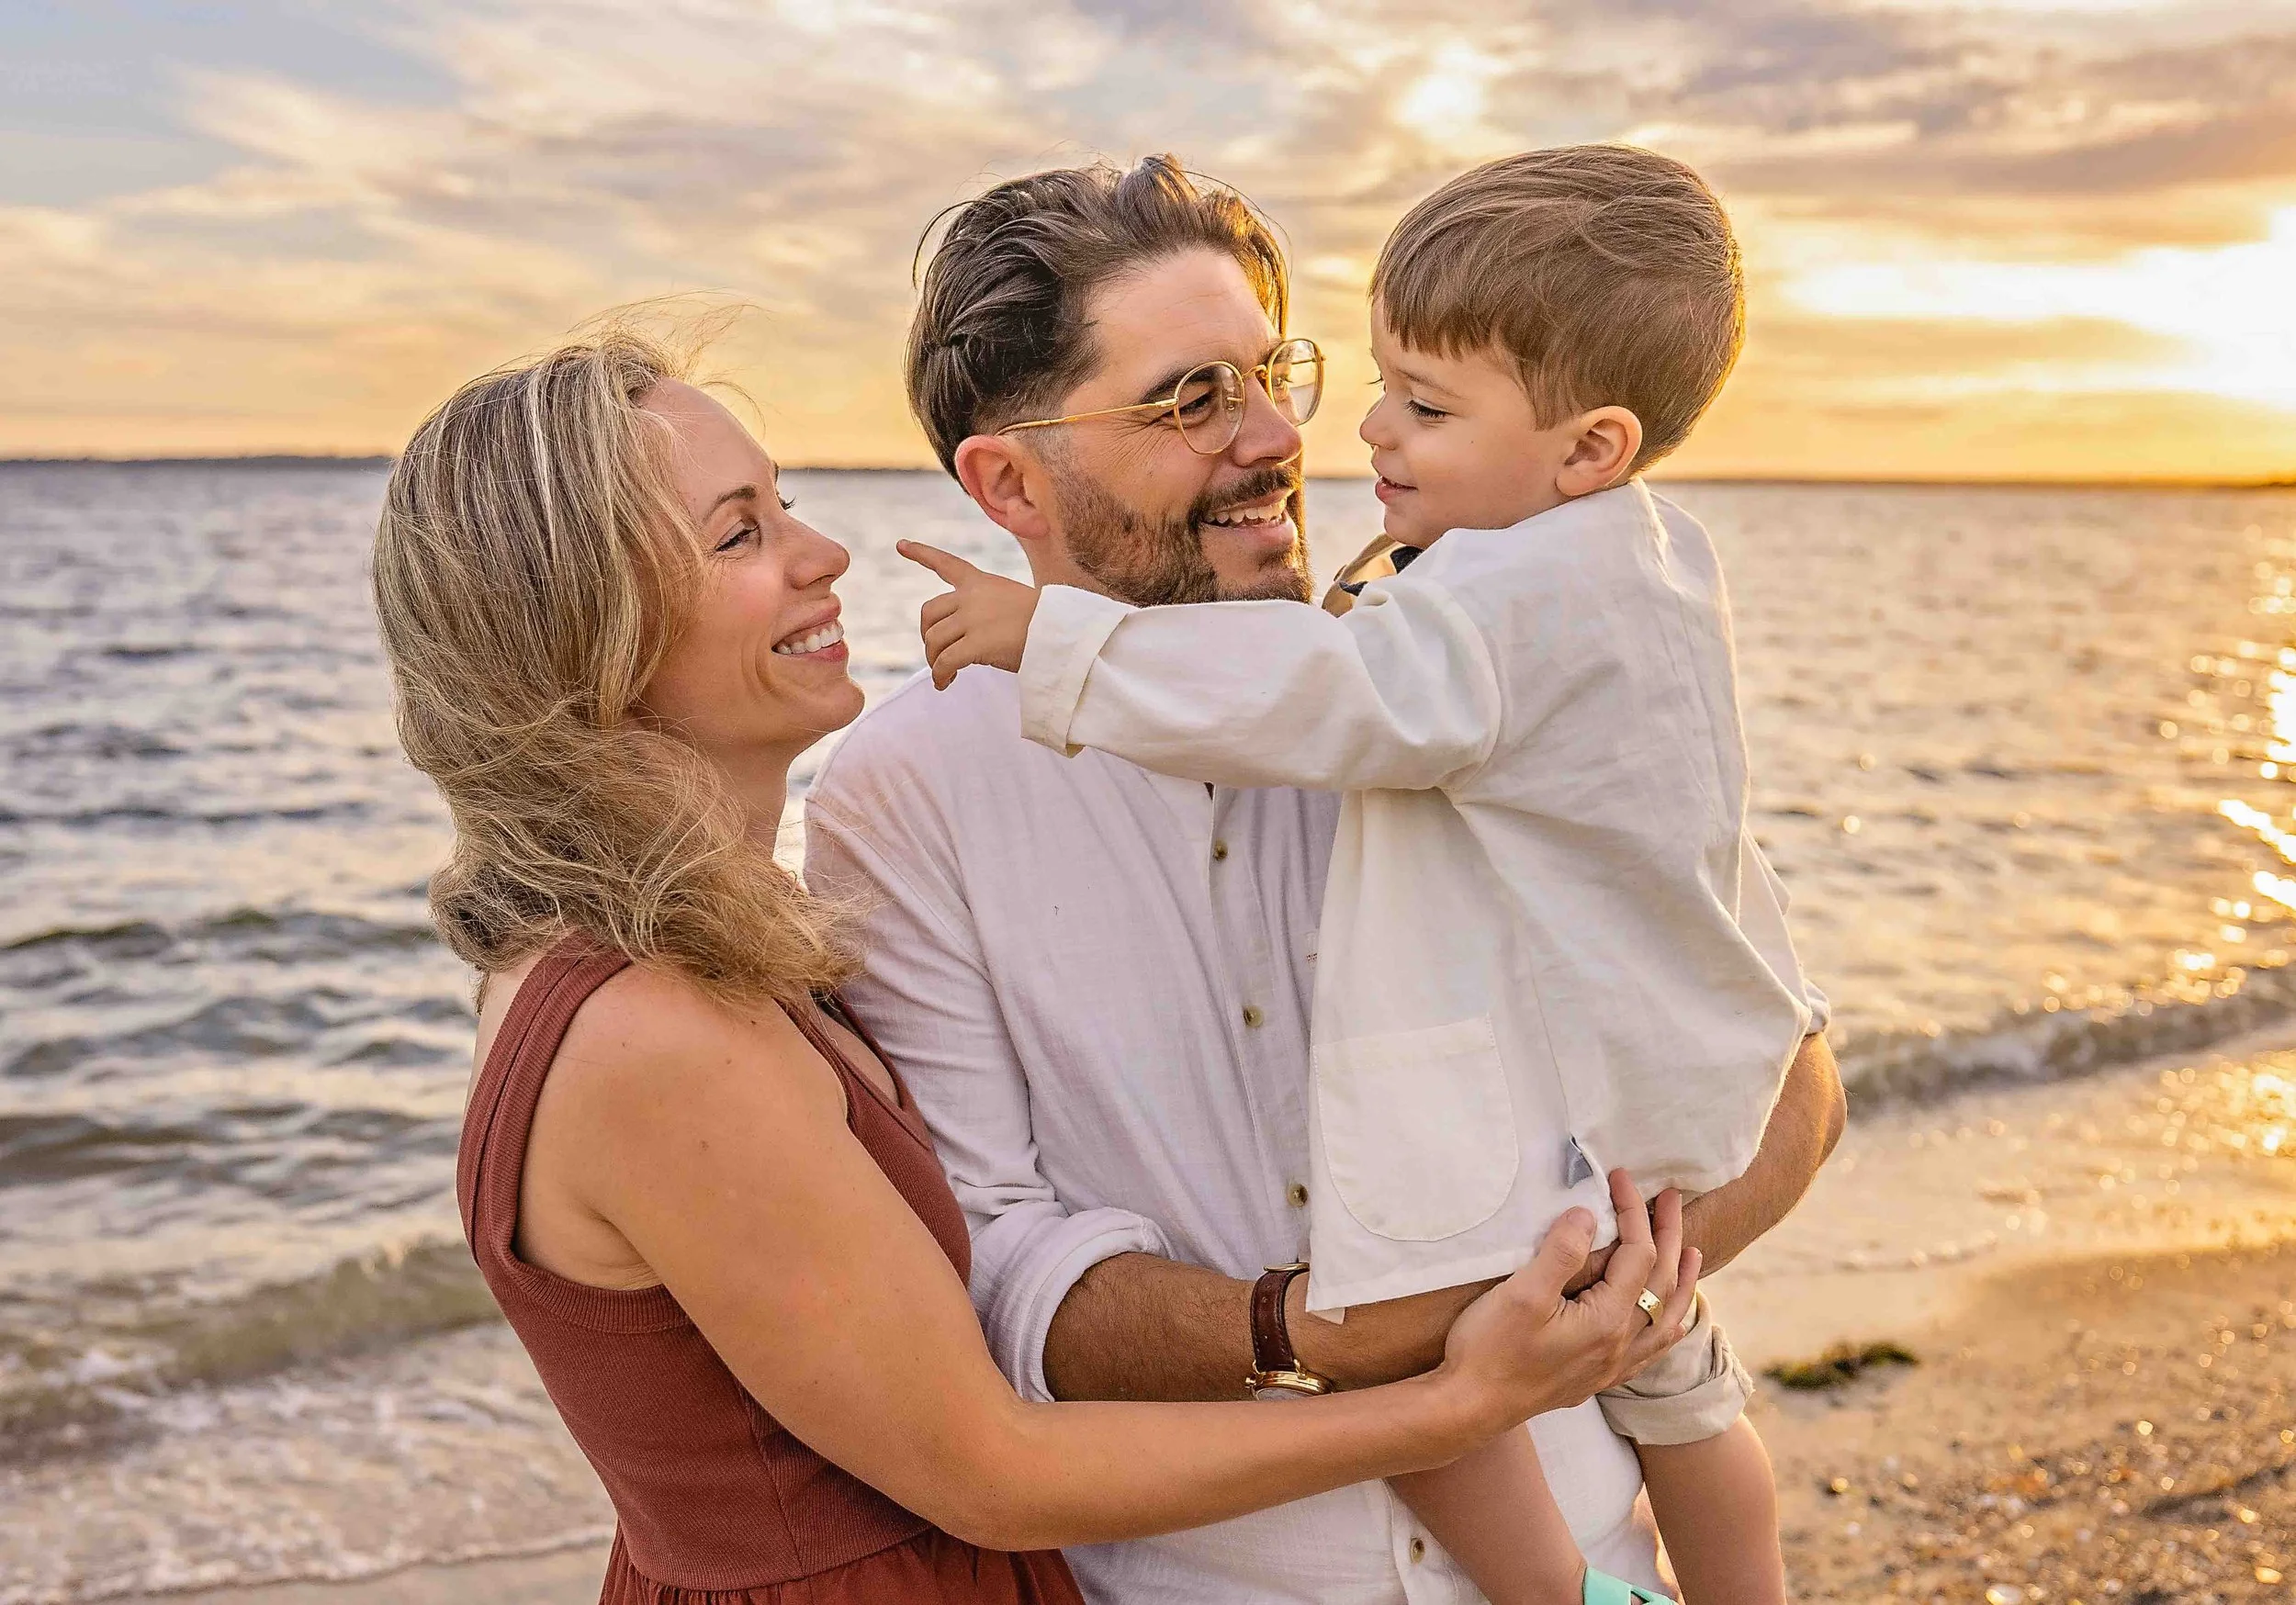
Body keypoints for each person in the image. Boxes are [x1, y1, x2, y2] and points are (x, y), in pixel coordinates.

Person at [369, 328, 1697, 1604]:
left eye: (783, 507)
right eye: (741, 534)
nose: (824, 553)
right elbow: (990, 1471)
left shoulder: (704, 954)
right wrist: (1454, 1404)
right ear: (580, 634)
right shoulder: (652, 1025)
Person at [805, 153, 1847, 1605]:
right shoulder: (903, 795)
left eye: (1272, 373)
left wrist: (1596, 1300)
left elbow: (1783, 1066)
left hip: (1599, 1553)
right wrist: (1340, 1340)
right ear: (1009, 481)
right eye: (1193, 399)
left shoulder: (1438, 652)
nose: (1283, 435)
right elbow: (1001, 1272)